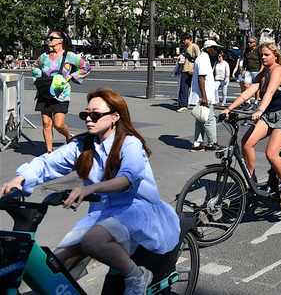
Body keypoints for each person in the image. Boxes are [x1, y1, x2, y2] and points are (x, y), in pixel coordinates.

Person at [0, 88, 180, 294]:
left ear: (115, 116)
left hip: (136, 211)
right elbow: (47, 163)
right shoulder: (82, 145)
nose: (88, 119)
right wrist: (18, 179)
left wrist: (89, 189)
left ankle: (137, 275)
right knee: (52, 266)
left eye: (95, 114)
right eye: (85, 114)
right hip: (102, 216)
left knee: (92, 240)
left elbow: (126, 179)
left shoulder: (130, 143)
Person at [221, 42, 281, 208]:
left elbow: (271, 92)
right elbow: (248, 92)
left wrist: (259, 111)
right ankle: (252, 180)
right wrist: (228, 109)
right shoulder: (263, 73)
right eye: (261, 55)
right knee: (246, 143)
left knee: (271, 153)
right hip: (270, 114)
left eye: (266, 55)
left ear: (275, 55)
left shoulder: (278, 70)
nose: (263, 58)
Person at [32, 30, 91, 153]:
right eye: (48, 38)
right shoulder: (44, 56)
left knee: (58, 124)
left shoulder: (69, 56)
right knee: (46, 123)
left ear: (60, 40)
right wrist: (39, 76)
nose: (49, 40)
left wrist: (72, 76)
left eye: (52, 38)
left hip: (61, 93)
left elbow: (86, 67)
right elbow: (35, 67)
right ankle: (49, 152)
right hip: (45, 91)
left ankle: (68, 136)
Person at [189, 40, 220, 151]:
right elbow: (201, 78)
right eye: (214, 48)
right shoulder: (204, 59)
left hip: (202, 95)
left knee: (200, 119)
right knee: (209, 119)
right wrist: (204, 96)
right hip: (205, 96)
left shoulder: (202, 58)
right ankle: (212, 143)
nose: (216, 51)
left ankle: (197, 142)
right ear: (207, 48)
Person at [176, 33, 199, 112]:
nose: (183, 41)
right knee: (183, 88)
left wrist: (193, 69)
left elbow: (198, 59)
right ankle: (183, 104)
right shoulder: (186, 47)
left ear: (189, 39)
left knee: (195, 87)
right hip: (185, 69)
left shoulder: (194, 47)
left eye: (184, 39)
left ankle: (198, 102)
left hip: (190, 70)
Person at [242, 37, 262, 108]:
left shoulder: (258, 50)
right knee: (246, 85)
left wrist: (260, 71)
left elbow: (262, 62)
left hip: (256, 71)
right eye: (248, 42)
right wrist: (243, 70)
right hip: (248, 71)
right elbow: (245, 61)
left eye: (250, 42)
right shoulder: (247, 50)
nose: (249, 44)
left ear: (255, 43)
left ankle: (256, 102)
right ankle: (248, 102)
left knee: (256, 88)